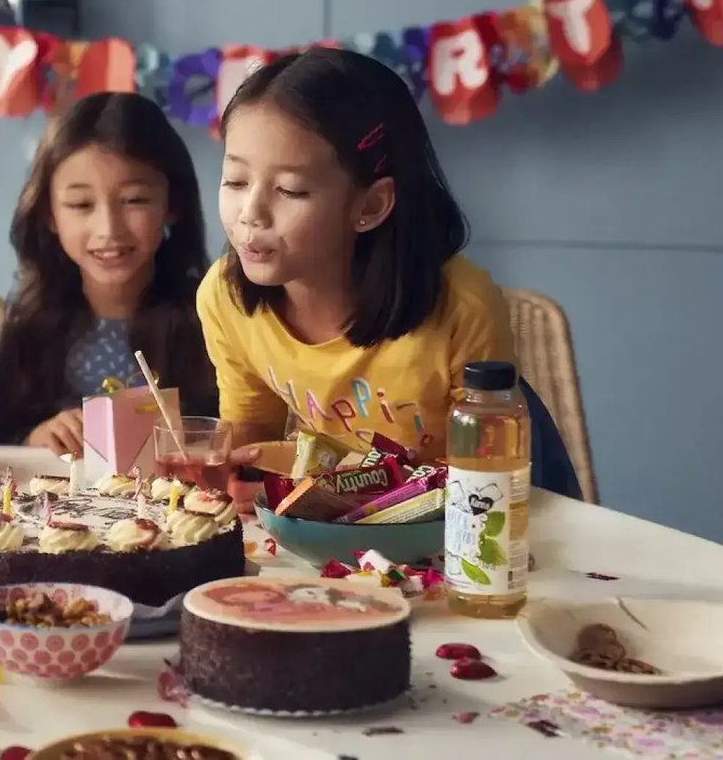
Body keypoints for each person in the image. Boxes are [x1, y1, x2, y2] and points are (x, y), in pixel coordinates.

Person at [200, 48, 576, 492]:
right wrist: (227, 471)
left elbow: (488, 489)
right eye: (236, 181)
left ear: (371, 205)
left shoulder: (462, 308)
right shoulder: (225, 296)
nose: (251, 213)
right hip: (343, 531)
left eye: (290, 189)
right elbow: (252, 435)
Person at [0, 93, 217, 456]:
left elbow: (231, 439)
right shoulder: (28, 322)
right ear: (49, 213)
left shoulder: (210, 318)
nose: (109, 229)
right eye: (81, 205)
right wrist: (36, 439)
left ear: (173, 205)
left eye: (134, 200)